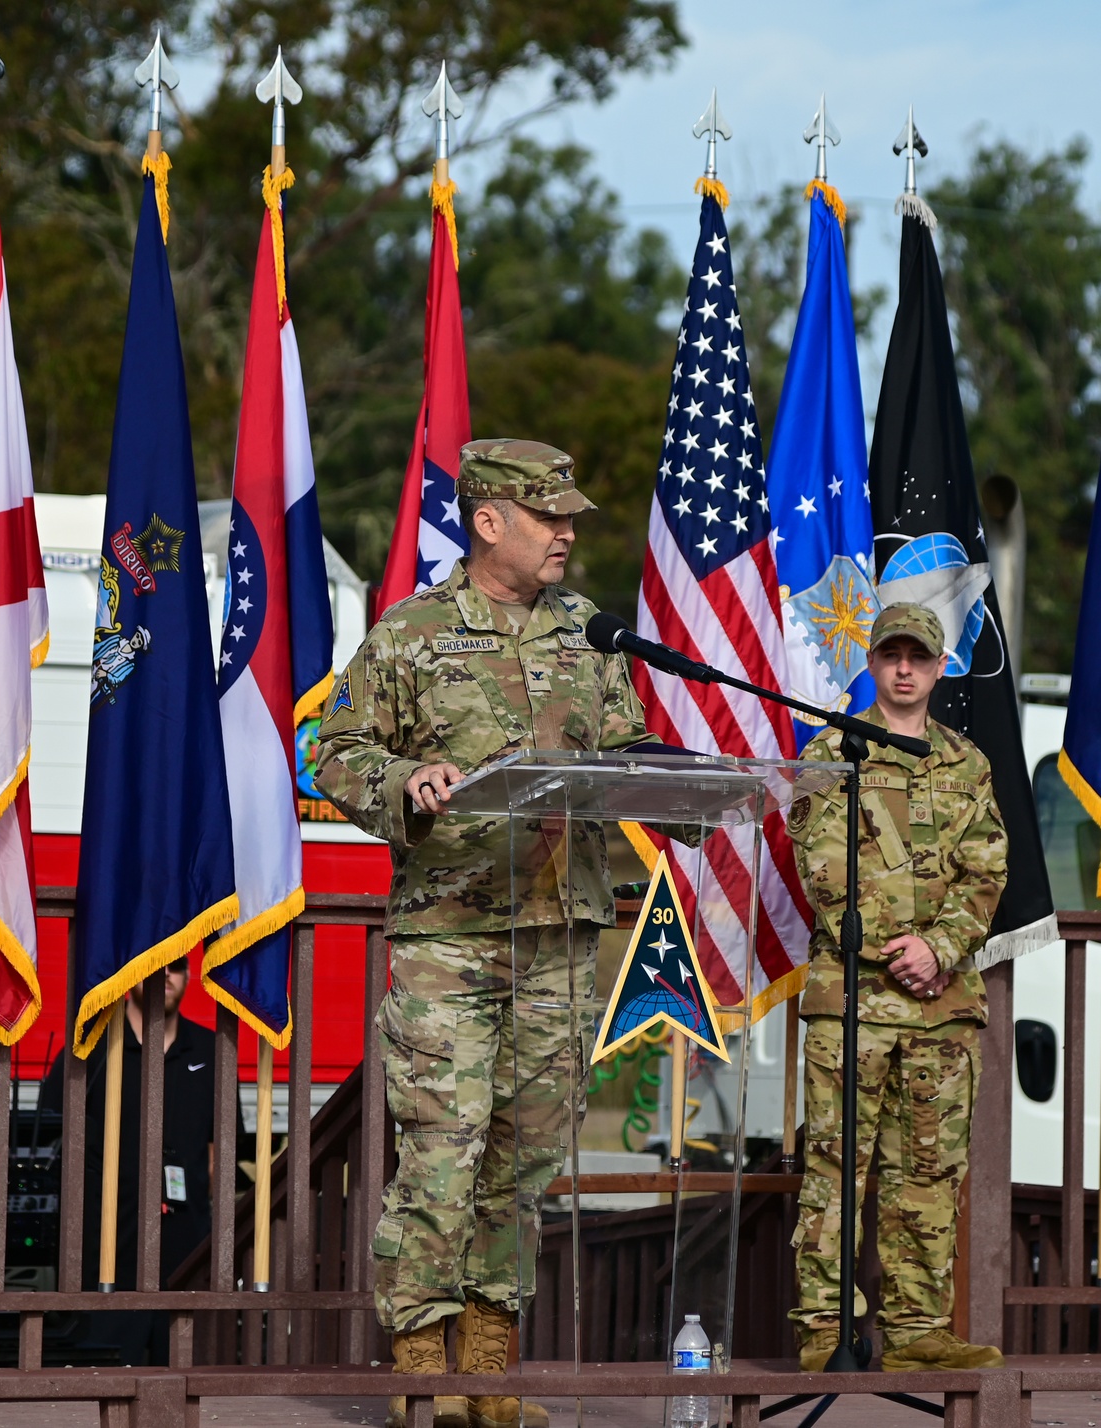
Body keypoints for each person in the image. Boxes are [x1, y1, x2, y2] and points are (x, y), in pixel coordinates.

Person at [317, 438, 647, 1428]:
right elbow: (335, 750)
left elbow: (630, 752)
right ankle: (422, 1377)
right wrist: (401, 785)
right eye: (550, 517)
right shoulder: (412, 633)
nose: (568, 533)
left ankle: (490, 1372)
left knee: (526, 1161)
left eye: (572, 517)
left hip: (557, 936)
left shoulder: (589, 635)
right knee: (443, 1158)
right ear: (490, 522)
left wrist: (688, 793)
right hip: (450, 939)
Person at [784, 603, 1008, 1373]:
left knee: (928, 1172)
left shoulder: (966, 762)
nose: (904, 668)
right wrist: (894, 949)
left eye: (918, 656)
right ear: (872, 665)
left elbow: (987, 868)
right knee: (834, 1167)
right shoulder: (831, 751)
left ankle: (916, 1334)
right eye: (891, 656)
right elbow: (820, 866)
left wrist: (938, 948)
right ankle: (825, 1331)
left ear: (940, 667)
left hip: (941, 1004)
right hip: (852, 1002)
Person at [40, 956, 224, 1366]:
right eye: (157, 964)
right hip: (105, 1243)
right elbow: (50, 1133)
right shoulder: (93, 1043)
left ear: (190, 976)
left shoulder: (210, 1049)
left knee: (180, 1371)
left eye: (176, 966)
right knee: (102, 1367)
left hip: (184, 1241)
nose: (167, 975)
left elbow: (220, 1146)